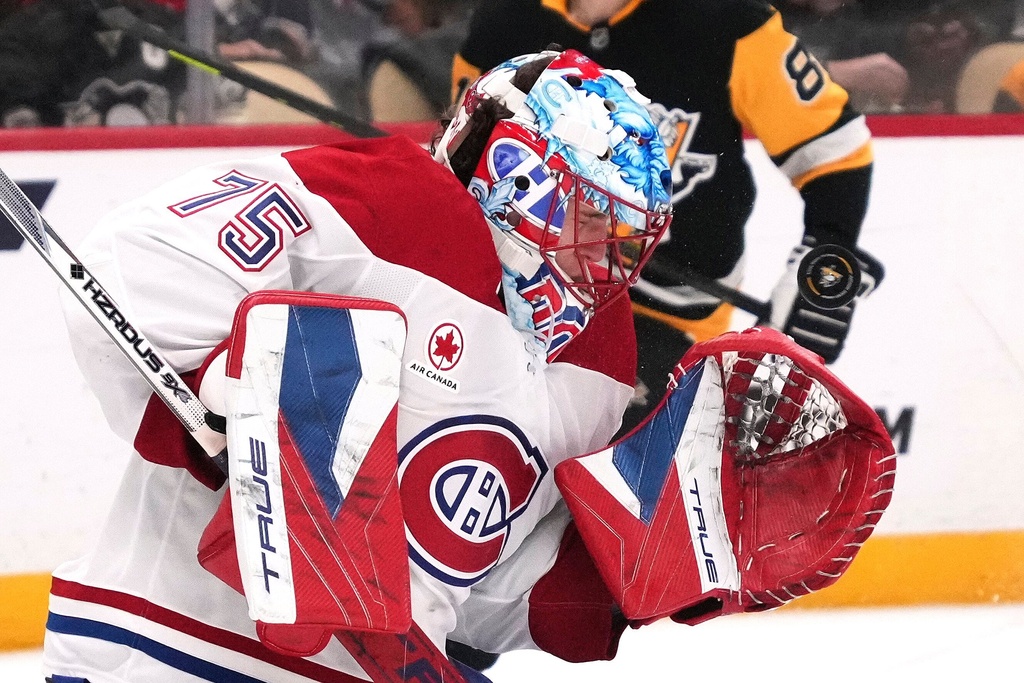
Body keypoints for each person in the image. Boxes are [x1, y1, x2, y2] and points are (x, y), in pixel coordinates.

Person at [41, 49, 676, 682]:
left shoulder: (599, 355)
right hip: (168, 649)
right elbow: (135, 259)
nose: (602, 257)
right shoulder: (393, 202)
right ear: (516, 171)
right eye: (589, 217)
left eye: (619, 235)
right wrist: (247, 401)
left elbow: (473, 591)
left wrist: (618, 578)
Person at [453, 0, 886, 433]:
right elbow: (460, 167)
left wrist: (827, 252)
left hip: (670, 315)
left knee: (616, 460)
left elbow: (835, 151)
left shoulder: (729, 20)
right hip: (518, 298)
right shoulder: (504, 22)